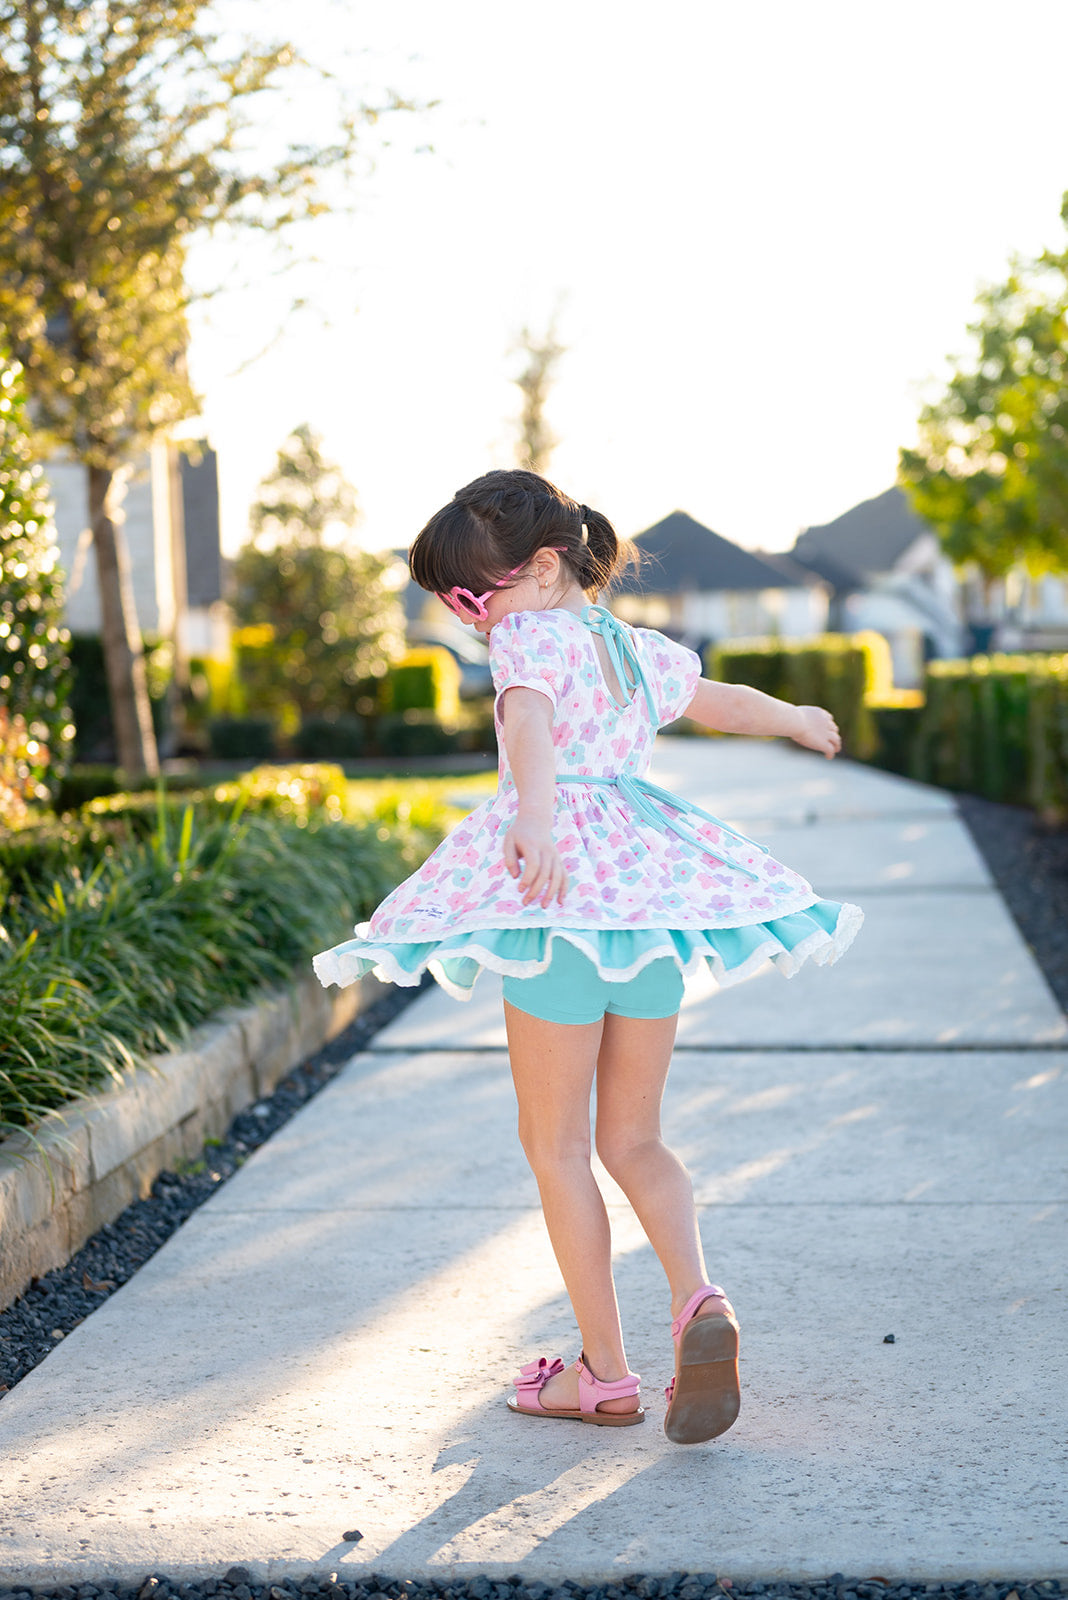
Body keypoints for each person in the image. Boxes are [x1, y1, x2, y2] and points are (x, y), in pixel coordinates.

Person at [314, 468, 863, 1444]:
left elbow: (527, 718)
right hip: (645, 909)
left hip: (559, 905)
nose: (471, 620)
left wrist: (535, 814)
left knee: (558, 1146)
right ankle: (698, 1298)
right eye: (454, 605)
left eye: (473, 598)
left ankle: (604, 1374)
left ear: (542, 567)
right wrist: (792, 717)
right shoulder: (628, 644)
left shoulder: (528, 636)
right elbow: (720, 701)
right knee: (636, 1141)